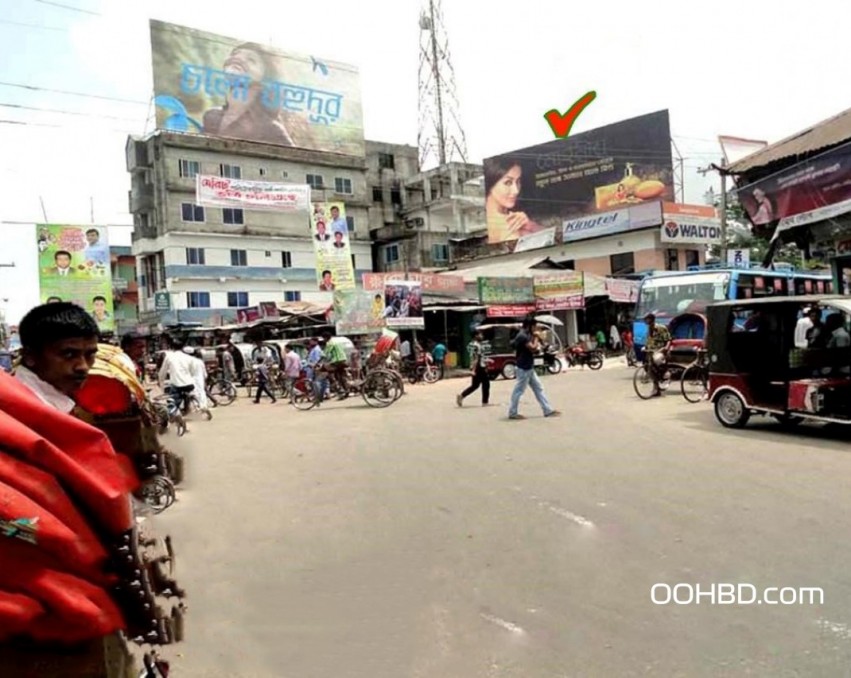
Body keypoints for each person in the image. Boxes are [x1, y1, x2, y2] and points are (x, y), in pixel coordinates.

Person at [201, 42, 313, 148]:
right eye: (235, 54)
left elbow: (294, 164)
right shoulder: (211, 116)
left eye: (251, 60)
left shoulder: (271, 129)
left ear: (265, 77)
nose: (238, 59)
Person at [15, 302, 100, 413]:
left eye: (90, 355)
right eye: (69, 355)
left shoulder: (59, 400)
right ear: (30, 356)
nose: (83, 366)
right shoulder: (17, 409)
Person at [507, 317, 561, 420]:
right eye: (534, 326)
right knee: (518, 391)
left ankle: (547, 410)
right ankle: (512, 412)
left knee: (538, 388)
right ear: (530, 326)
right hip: (524, 367)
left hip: (528, 367)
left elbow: (538, 347)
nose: (535, 328)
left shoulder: (526, 334)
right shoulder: (522, 336)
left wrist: (538, 338)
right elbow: (532, 348)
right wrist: (536, 338)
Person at [484, 157, 544, 244]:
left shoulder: (515, 220)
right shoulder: (508, 227)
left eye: (518, 181)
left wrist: (530, 225)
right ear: (491, 183)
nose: (516, 190)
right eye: (508, 182)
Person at [158, 339, 197, 410]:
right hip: (189, 384)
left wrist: (161, 382)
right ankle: (187, 408)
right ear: (182, 348)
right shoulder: (188, 358)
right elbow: (193, 371)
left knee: (172, 402)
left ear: (172, 347)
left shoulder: (169, 357)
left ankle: (174, 411)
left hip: (176, 385)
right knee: (188, 393)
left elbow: (162, 371)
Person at [457, 330, 490, 407]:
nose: (482, 336)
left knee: (475, 385)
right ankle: (485, 402)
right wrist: (474, 369)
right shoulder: (477, 345)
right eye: (480, 335)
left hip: (477, 366)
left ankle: (461, 396)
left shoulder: (471, 344)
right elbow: (476, 358)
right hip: (479, 367)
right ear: (476, 336)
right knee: (486, 384)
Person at [643, 313, 672, 396]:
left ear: (652, 319)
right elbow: (648, 341)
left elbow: (669, 339)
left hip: (661, 351)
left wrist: (666, 348)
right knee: (648, 367)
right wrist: (645, 347)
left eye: (647, 319)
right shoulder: (649, 329)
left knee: (658, 362)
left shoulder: (661, 328)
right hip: (651, 351)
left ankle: (664, 375)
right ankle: (656, 387)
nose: (646, 321)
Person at [322, 332, 349, 399]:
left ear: (325, 338)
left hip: (337, 361)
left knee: (328, 373)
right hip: (343, 360)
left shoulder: (330, 343)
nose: (324, 340)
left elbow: (325, 354)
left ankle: (339, 389)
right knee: (341, 376)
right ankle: (346, 390)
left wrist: (318, 363)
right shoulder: (337, 342)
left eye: (324, 339)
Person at [186, 347, 210, 414]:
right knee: (202, 392)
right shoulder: (200, 361)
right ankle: (204, 406)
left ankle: (196, 408)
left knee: (193, 394)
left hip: (191, 380)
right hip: (200, 380)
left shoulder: (188, 362)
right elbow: (204, 373)